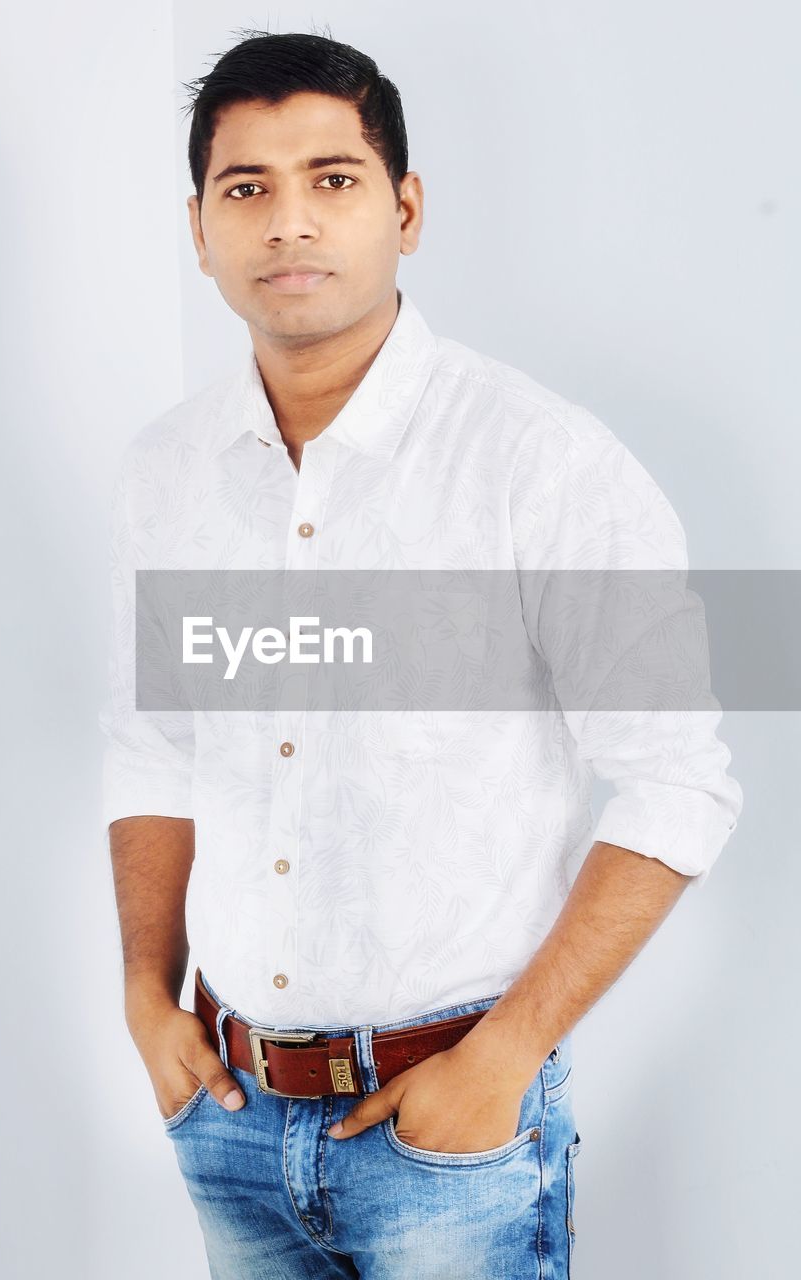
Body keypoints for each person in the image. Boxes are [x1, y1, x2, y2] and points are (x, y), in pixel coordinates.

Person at [99, 28, 743, 1279]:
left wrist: (504, 1057)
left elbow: (680, 781)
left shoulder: (538, 462)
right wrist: (143, 990)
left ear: (404, 207)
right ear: (199, 229)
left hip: (451, 1130)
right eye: (249, 189)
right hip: (226, 1117)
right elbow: (155, 743)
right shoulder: (165, 474)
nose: (290, 222)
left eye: (331, 179)